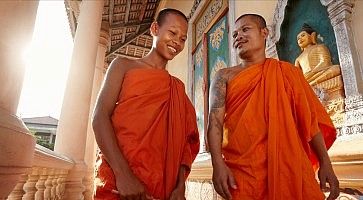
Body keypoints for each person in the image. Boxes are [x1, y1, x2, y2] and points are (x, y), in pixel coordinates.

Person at [207, 14, 339, 200]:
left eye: (245, 29)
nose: (238, 37)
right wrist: (217, 164)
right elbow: (214, 123)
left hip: (290, 166)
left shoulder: (288, 73)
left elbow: (310, 121)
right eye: (235, 34)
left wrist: (326, 163)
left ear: (264, 32)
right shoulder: (224, 76)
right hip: (244, 171)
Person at [92, 8, 200, 200]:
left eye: (183, 38)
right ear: (154, 29)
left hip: (163, 189)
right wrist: (123, 174)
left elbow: (187, 142)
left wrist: (181, 185)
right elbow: (100, 117)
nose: (177, 41)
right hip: (120, 182)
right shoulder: (123, 65)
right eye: (172, 32)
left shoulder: (176, 88)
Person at [295, 23, 341, 88]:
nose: (300, 39)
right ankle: (307, 86)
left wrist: (312, 72)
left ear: (312, 36)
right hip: (307, 78)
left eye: (303, 35)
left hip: (317, 74)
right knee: (297, 84)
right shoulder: (298, 59)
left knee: (336, 69)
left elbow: (325, 62)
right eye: (298, 38)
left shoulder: (320, 47)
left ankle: (308, 86)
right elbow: (297, 75)